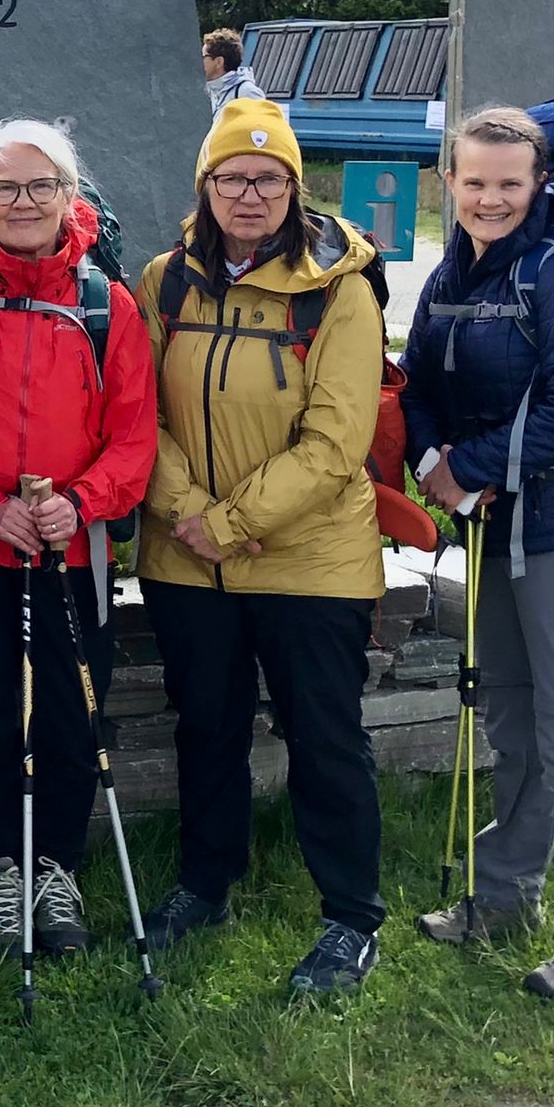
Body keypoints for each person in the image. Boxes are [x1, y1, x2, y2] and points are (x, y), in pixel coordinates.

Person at [133, 98, 388, 996]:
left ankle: (351, 918)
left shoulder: (340, 290)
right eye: (233, 177)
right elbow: (138, 415)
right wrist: (188, 513)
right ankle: (207, 885)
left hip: (311, 560)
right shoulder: (164, 281)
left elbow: (335, 441)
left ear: (294, 187)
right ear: (205, 185)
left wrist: (229, 523)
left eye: (269, 177)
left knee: (325, 736)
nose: (251, 193)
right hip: (187, 557)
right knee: (206, 729)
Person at [402, 106, 554, 999]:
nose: (491, 198)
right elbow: (417, 382)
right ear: (450, 184)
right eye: (475, 182)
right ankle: (503, 897)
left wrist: (464, 468)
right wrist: (434, 464)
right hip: (495, 528)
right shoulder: (448, 275)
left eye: (510, 183)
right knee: (513, 721)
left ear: (538, 185)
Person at [0, 120, 157, 953]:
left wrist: (80, 504)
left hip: (71, 552)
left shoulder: (106, 304)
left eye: (41, 186)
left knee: (71, 721)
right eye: (4, 188)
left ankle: (59, 874)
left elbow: (134, 436)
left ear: (70, 197)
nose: (23, 203)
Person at [203, 29, 268, 116]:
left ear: (219, 62)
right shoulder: (212, 92)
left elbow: (264, 127)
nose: (199, 62)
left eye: (203, 57)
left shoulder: (246, 92)